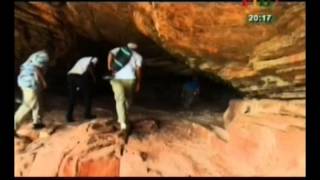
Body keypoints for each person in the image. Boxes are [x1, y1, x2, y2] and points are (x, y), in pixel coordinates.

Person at [107, 42, 143, 133]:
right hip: (129, 79)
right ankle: (123, 122)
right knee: (123, 99)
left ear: (127, 46)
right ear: (136, 48)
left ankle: (121, 118)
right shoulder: (139, 56)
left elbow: (110, 53)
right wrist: (138, 83)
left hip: (118, 78)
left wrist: (109, 66)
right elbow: (138, 71)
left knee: (125, 100)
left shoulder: (119, 50)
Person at [15, 49, 50, 136]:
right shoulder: (43, 56)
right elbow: (37, 69)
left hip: (27, 81)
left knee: (37, 102)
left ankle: (37, 123)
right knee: (28, 104)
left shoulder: (33, 56)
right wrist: (43, 81)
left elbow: (24, 68)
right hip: (29, 82)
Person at [66, 56, 98, 122]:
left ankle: (69, 116)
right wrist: (93, 77)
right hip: (79, 76)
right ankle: (87, 114)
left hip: (70, 75)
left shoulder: (83, 59)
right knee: (88, 95)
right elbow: (89, 67)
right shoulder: (94, 59)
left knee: (72, 97)